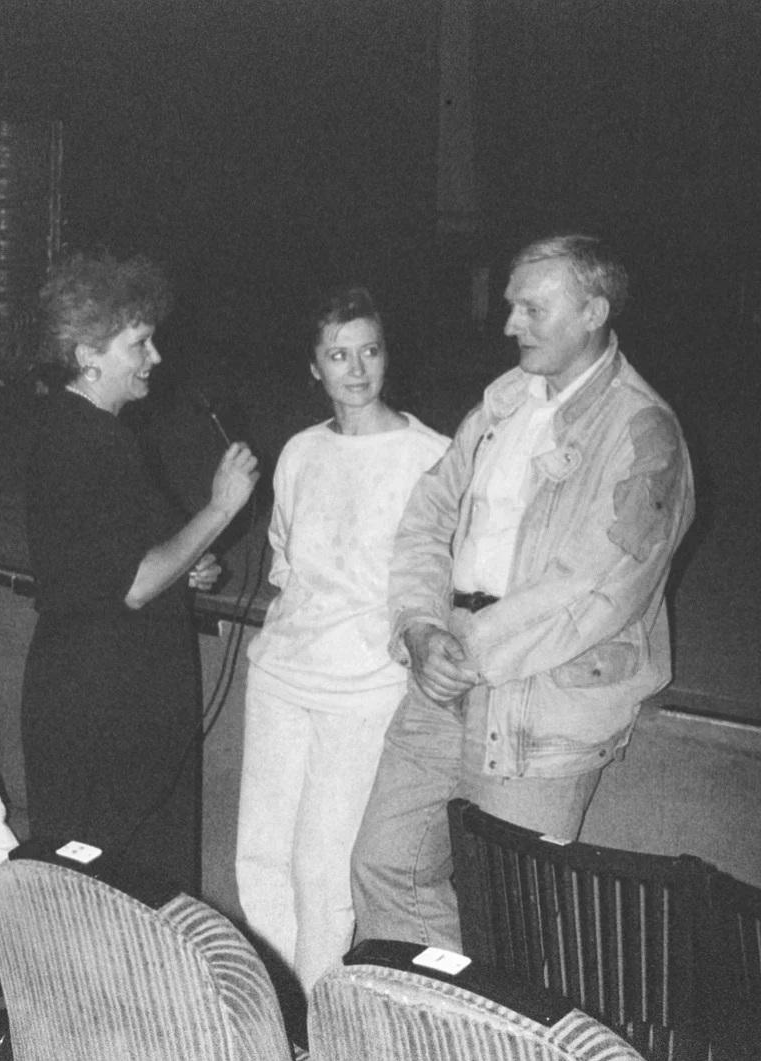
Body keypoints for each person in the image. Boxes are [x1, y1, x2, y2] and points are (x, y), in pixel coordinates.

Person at [350, 234, 695, 949]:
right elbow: (427, 517)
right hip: (443, 675)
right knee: (386, 867)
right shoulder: (503, 405)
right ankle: (433, 1011)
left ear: (593, 311)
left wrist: (464, 652)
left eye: (533, 309)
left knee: (509, 922)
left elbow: (592, 590)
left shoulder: (643, 433)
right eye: (511, 306)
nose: (510, 324)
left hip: (538, 708)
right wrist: (417, 627)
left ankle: (491, 1009)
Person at [20, 252, 259, 894]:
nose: (155, 357)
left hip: (94, 694)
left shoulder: (76, 429)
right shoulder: (92, 443)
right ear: (87, 356)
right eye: (139, 343)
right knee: (124, 900)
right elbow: (134, 583)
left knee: (98, 892)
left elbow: (120, 560)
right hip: (109, 709)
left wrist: (184, 563)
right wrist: (220, 509)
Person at [235, 287, 450, 993]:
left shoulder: (432, 456)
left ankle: (315, 1016)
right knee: (261, 857)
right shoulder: (301, 451)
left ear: (387, 355)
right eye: (338, 354)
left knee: (322, 869)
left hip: (364, 690)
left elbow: (441, 580)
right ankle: (275, 1008)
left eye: (369, 351)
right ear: (314, 366)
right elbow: (285, 563)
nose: (356, 369)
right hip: (281, 676)